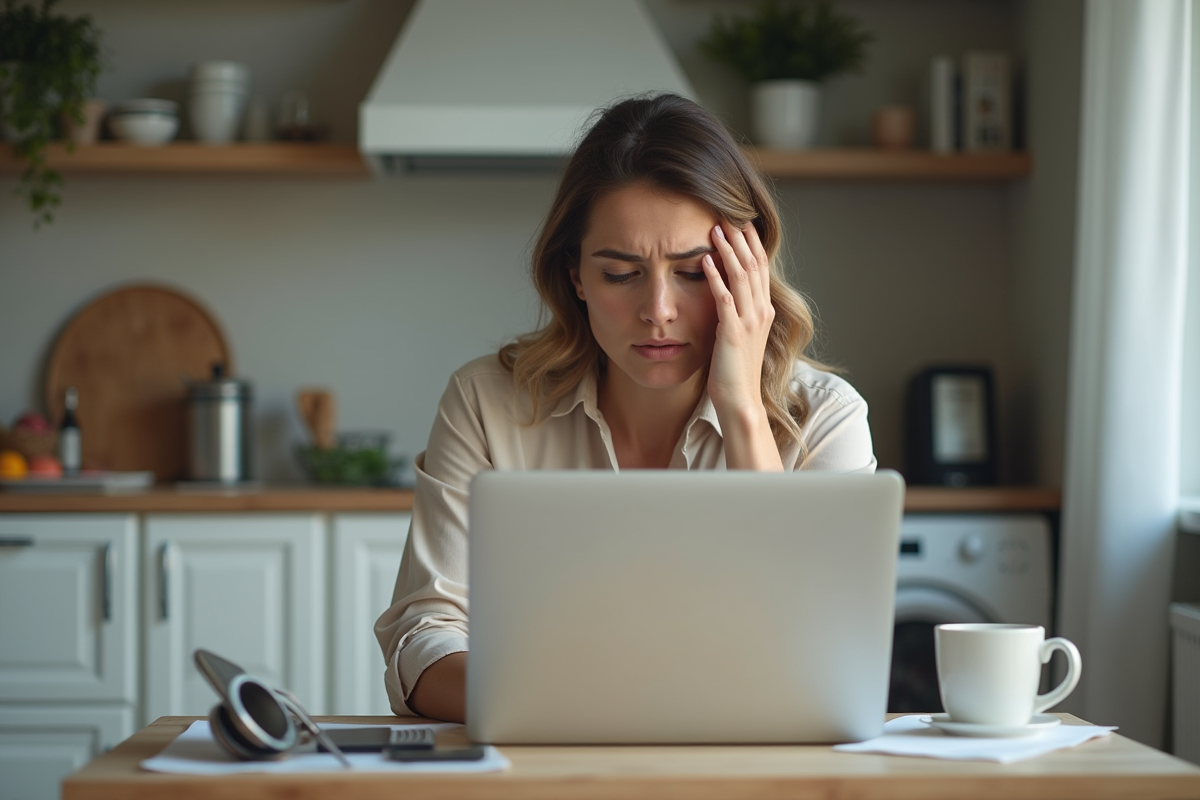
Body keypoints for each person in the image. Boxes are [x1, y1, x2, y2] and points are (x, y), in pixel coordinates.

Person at [375, 92, 877, 722]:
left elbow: (820, 660)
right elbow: (423, 637)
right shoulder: (485, 404)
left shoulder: (825, 418)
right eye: (620, 274)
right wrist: (580, 706)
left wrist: (743, 408)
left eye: (695, 273)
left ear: (748, 272)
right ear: (577, 277)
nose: (658, 310)